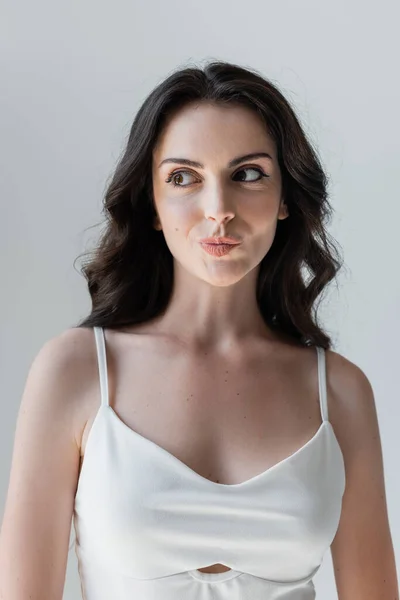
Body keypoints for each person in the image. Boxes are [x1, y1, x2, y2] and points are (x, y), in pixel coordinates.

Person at [0, 60, 398, 600]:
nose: (219, 211)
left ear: (285, 197)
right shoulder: (76, 372)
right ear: (154, 204)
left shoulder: (340, 393)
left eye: (248, 174)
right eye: (184, 177)